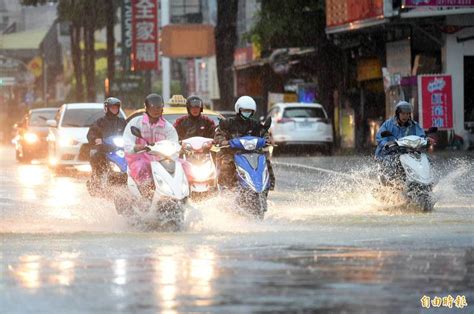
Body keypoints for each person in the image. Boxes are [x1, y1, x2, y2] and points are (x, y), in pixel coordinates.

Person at [214, 95, 275, 190]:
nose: (247, 113)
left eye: (249, 111)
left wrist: (268, 139)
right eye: (244, 110)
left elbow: (264, 133)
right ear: (238, 110)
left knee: (265, 161)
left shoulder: (255, 124)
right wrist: (223, 141)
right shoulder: (228, 123)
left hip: (252, 153)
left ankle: (267, 186)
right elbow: (219, 134)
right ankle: (226, 188)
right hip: (232, 152)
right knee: (226, 163)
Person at [123, 93, 178, 193]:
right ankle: (146, 195)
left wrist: (175, 150)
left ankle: (184, 195)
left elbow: (174, 144)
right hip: (139, 158)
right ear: (147, 108)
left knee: (183, 166)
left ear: (162, 108)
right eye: (153, 107)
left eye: (158, 107)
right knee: (141, 167)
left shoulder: (168, 127)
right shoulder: (135, 122)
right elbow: (127, 140)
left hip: (162, 160)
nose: (156, 110)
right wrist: (135, 147)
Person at [87, 97, 126, 178]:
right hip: (104, 149)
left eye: (116, 107)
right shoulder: (100, 122)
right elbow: (91, 133)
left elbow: (129, 132)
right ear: (107, 108)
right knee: (97, 157)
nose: (114, 109)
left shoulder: (122, 122)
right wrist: (96, 139)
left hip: (120, 149)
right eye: (112, 107)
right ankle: (97, 179)